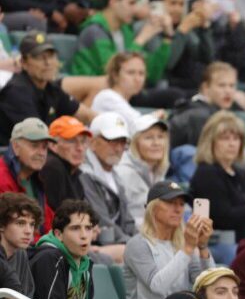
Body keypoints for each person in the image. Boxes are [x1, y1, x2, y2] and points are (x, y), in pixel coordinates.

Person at [190, 112, 245, 259]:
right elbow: (225, 218)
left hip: (241, 242)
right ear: (211, 142)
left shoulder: (240, 173)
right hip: (218, 246)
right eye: (225, 138)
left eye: (236, 138)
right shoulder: (207, 173)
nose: (232, 144)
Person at [29, 199, 135, 299]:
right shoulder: (48, 260)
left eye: (88, 228)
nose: (84, 235)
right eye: (75, 228)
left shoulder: (85, 262)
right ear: (59, 235)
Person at [123, 180, 215, 299]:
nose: (178, 209)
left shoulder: (182, 246)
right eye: (171, 202)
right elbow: (157, 286)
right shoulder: (138, 244)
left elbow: (207, 288)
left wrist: (202, 247)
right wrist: (188, 249)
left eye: (181, 204)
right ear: (152, 208)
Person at [71, 0, 170, 84]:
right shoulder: (94, 31)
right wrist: (141, 39)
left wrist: (167, 38)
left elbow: (152, 75)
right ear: (113, 2)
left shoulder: (125, 30)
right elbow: (113, 74)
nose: (135, 9)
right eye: (131, 3)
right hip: (95, 93)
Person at [0, 34, 94, 143]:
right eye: (40, 57)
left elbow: (87, 115)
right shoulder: (16, 91)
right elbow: (38, 137)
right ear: (24, 63)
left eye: (51, 56)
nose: (48, 63)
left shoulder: (51, 88)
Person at [79, 112, 137, 262]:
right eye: (112, 141)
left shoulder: (115, 175)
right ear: (92, 142)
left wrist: (145, 243)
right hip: (97, 245)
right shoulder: (83, 173)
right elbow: (102, 220)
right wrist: (135, 245)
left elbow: (128, 221)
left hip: (117, 243)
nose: (118, 148)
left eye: (123, 142)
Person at [0, 118, 56, 232]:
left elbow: (48, 221)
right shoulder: (2, 177)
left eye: (44, 147)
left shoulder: (35, 178)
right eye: (34, 145)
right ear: (15, 147)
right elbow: (13, 231)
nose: (41, 153)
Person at [115, 114, 170, 225]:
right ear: (134, 143)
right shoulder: (123, 173)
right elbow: (121, 220)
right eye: (148, 138)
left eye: (160, 137)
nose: (156, 143)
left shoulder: (158, 171)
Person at [0, 193, 41, 299]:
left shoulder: (21, 253)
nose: (28, 231)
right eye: (20, 223)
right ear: (1, 225)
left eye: (32, 224)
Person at [90, 51, 148, 134]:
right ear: (115, 75)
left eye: (141, 73)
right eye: (131, 72)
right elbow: (139, 125)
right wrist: (156, 115)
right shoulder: (107, 97)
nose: (137, 79)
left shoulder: (123, 100)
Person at [41, 116, 91, 209]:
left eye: (83, 141)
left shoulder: (74, 171)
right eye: (71, 141)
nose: (79, 148)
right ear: (52, 145)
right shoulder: (52, 167)